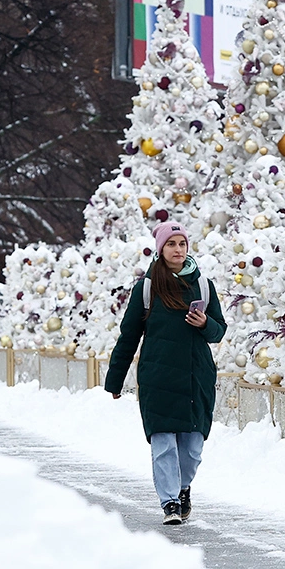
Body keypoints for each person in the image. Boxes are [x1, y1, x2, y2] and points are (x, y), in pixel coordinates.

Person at [104, 221, 227, 524]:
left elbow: (219, 331)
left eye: (182, 244)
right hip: (157, 376)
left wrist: (204, 325)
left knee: (193, 447)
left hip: (195, 376)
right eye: (171, 244)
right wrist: (115, 379)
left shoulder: (203, 285)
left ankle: (183, 487)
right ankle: (170, 501)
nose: (178, 250)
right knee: (163, 444)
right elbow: (129, 335)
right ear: (161, 249)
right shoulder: (147, 288)